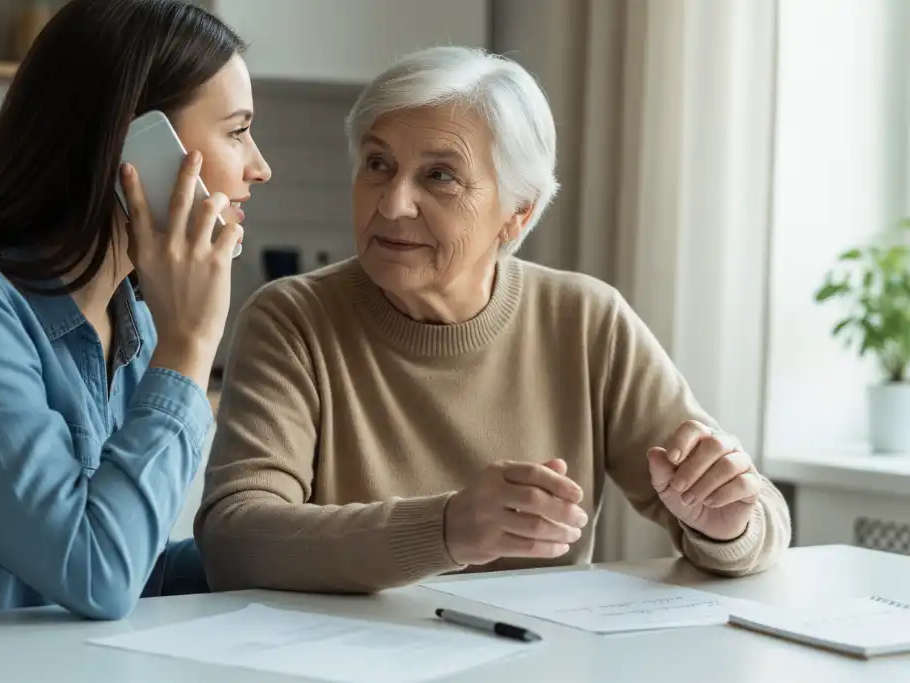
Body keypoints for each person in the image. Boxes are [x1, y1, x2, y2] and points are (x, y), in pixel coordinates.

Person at [196, 45, 791, 594]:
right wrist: (447, 529)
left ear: (517, 212)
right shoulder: (293, 319)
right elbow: (235, 539)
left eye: (440, 175)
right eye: (378, 163)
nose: (393, 202)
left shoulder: (586, 320)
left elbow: (759, 517)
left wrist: (726, 525)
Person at [0, 0, 270, 620]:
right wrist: (191, 347)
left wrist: (306, 549)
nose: (260, 166)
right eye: (237, 130)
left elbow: (136, 560)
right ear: (139, 145)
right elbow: (97, 571)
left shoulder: (135, 322)